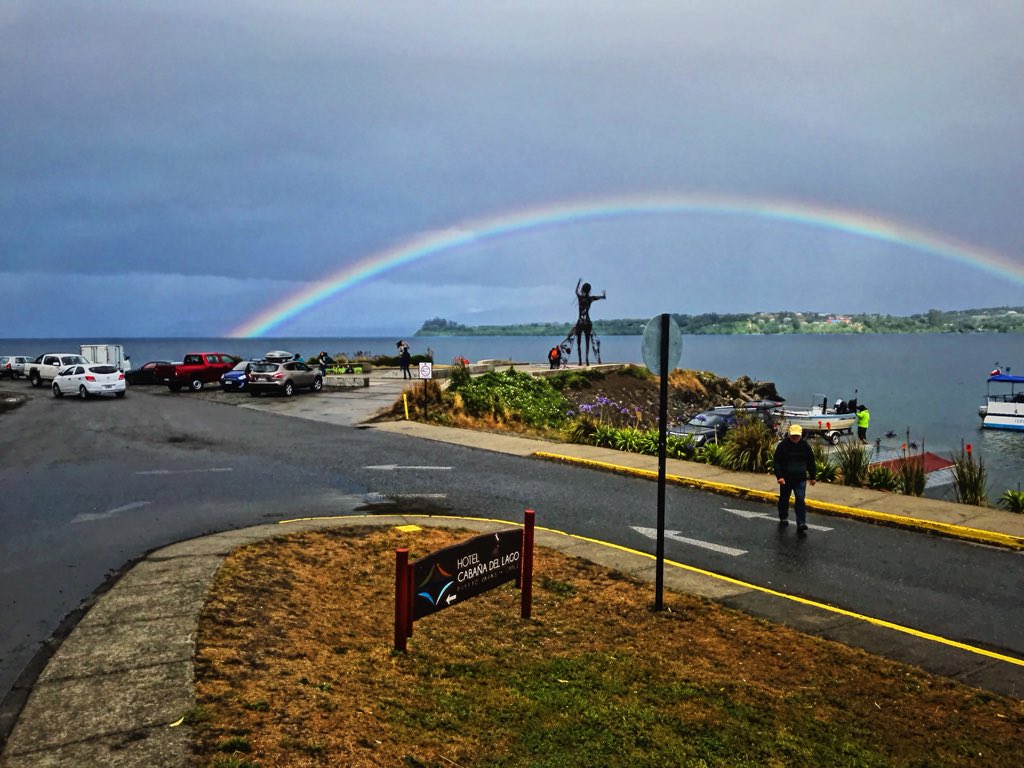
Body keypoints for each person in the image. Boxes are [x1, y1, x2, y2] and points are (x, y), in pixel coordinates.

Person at [773, 424, 817, 535]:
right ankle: (783, 516)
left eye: (797, 435)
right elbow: (776, 461)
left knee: (800, 500)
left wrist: (813, 477)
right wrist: (779, 476)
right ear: (789, 435)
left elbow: (811, 461)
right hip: (786, 478)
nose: (795, 437)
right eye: (793, 435)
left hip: (800, 478)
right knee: (784, 499)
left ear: (800, 435)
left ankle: (801, 522)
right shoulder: (783, 445)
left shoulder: (805, 446)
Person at [572, 278, 606, 366]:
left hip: (580, 322)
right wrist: (603, 295)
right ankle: (587, 361)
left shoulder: (580, 298)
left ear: (583, 289)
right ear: (589, 290)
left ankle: (580, 361)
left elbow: (576, 291)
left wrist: (578, 283)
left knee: (578, 343)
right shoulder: (590, 298)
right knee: (587, 342)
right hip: (587, 322)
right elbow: (601, 297)